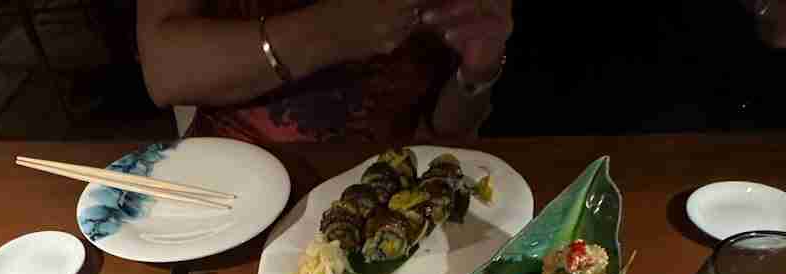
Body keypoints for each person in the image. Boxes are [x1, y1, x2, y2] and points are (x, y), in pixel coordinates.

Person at [135, 0, 514, 143]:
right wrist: (334, 28)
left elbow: (452, 130)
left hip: (400, 185)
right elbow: (165, 69)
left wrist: (478, 72)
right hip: (236, 189)